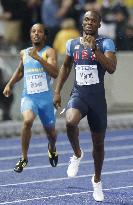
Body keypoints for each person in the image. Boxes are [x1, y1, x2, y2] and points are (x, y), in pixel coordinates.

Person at [54, 10, 117, 202]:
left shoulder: (106, 43)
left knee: (98, 144)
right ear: (83, 23)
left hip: (97, 99)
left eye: (94, 20)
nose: (89, 22)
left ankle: (97, 181)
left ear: (99, 25)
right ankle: (77, 154)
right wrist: (57, 91)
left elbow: (111, 68)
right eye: (87, 19)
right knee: (70, 121)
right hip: (79, 94)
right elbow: (65, 66)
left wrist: (94, 50)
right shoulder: (72, 44)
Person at [3, 23, 58, 173]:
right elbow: (20, 71)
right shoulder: (24, 53)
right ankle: (24, 157)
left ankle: (52, 148)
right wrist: (9, 84)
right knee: (27, 121)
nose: (36, 34)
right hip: (29, 97)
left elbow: (55, 73)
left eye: (39, 32)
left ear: (44, 36)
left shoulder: (50, 52)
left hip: (45, 99)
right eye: (33, 31)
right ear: (30, 34)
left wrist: (39, 59)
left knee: (51, 134)